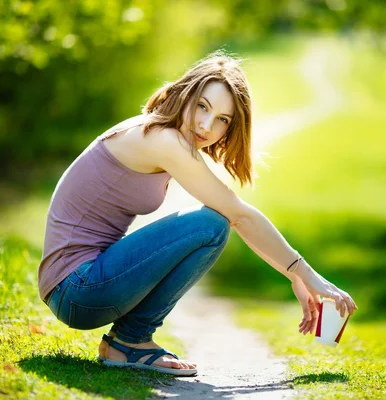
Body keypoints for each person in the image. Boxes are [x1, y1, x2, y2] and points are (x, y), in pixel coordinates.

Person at [38, 51, 357, 377]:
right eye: (202, 106)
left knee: (213, 223)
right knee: (211, 224)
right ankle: (130, 341)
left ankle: (126, 343)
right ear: (185, 94)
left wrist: (294, 275)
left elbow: (239, 216)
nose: (207, 125)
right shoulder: (163, 139)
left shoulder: (162, 132)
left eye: (222, 119)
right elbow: (239, 215)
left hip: (76, 287)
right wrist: (307, 276)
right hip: (77, 288)